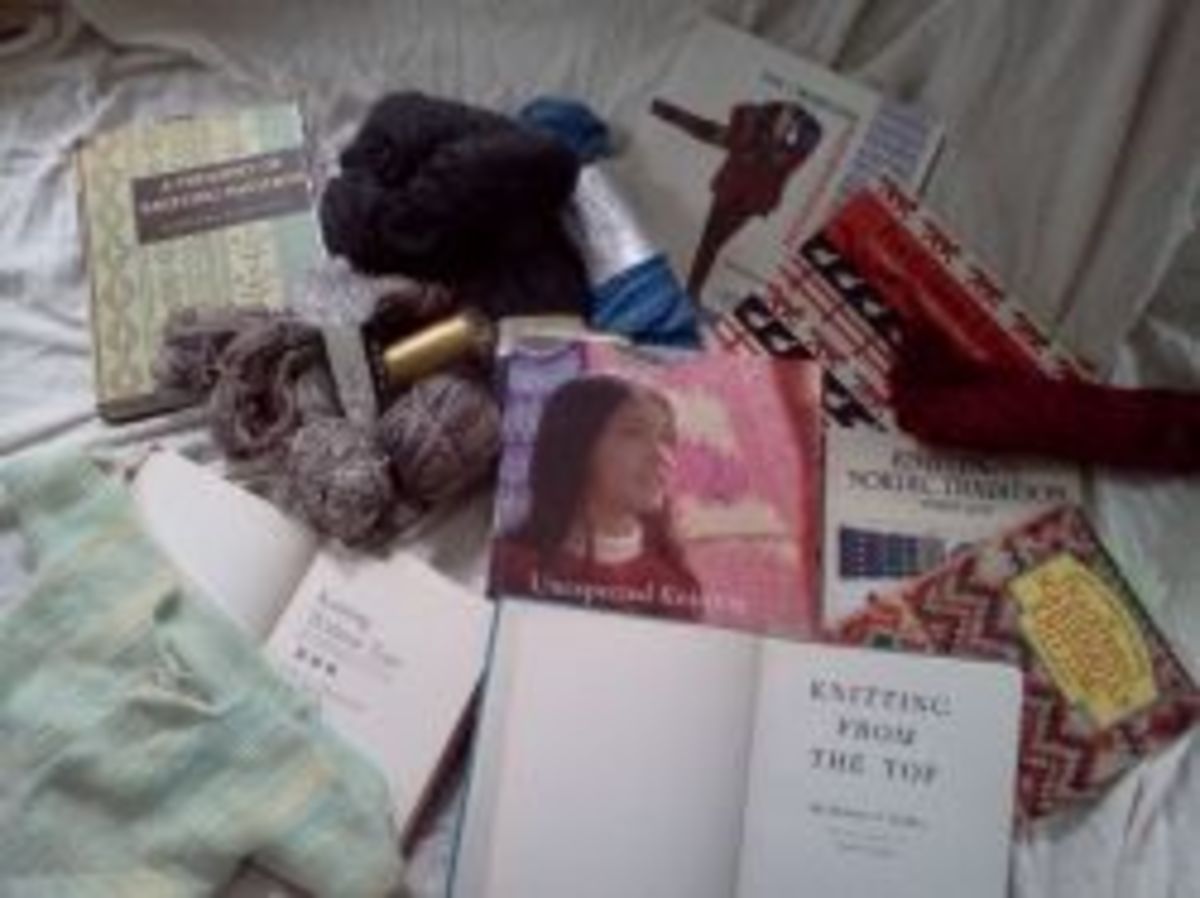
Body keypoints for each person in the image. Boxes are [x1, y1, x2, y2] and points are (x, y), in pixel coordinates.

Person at [492, 374, 702, 620]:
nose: (662, 457)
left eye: (667, 439)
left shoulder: (674, 586)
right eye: (633, 433)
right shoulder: (509, 567)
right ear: (576, 445)